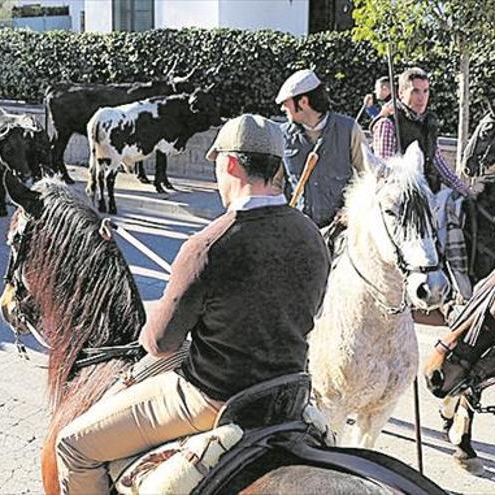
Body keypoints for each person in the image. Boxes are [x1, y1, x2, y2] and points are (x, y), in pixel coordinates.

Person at [54, 114, 331, 494]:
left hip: (214, 398)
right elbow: (307, 310)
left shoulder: (206, 247)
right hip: (287, 392)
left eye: (216, 164)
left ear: (231, 163)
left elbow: (160, 344)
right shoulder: (312, 235)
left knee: (72, 445)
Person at [372, 67, 475, 302]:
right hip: (404, 200)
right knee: (448, 216)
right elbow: (386, 169)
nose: (422, 97)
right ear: (401, 92)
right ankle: (458, 290)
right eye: (415, 91)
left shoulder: (428, 121)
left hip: (429, 191)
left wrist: (464, 189)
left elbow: (437, 160)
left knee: (464, 207)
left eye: (426, 91)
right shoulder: (388, 123)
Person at [275, 69, 369, 228]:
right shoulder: (281, 136)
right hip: (299, 229)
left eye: (286, 103)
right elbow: (274, 184)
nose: (283, 108)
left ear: (303, 102)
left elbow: (367, 177)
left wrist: (350, 210)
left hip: (342, 231)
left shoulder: (349, 129)